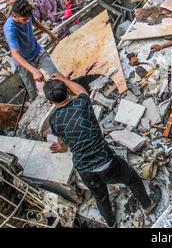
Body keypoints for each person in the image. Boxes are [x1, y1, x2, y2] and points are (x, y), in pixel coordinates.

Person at [44, 74, 157, 227]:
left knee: (101, 198)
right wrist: (63, 79)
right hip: (107, 163)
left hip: (85, 171)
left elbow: (64, 146)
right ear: (67, 91)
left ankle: (111, 223)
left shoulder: (54, 121)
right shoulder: (82, 103)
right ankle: (148, 205)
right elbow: (81, 90)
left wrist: (61, 148)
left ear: (49, 101)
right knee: (132, 179)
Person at [3, 0, 60, 101]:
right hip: (23, 62)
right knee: (33, 92)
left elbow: (35, 22)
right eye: (25, 19)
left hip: (37, 51)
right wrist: (34, 71)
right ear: (15, 16)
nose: (28, 21)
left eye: (29, 18)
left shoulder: (27, 15)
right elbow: (15, 54)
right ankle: (37, 104)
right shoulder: (10, 29)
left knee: (56, 75)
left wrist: (49, 33)